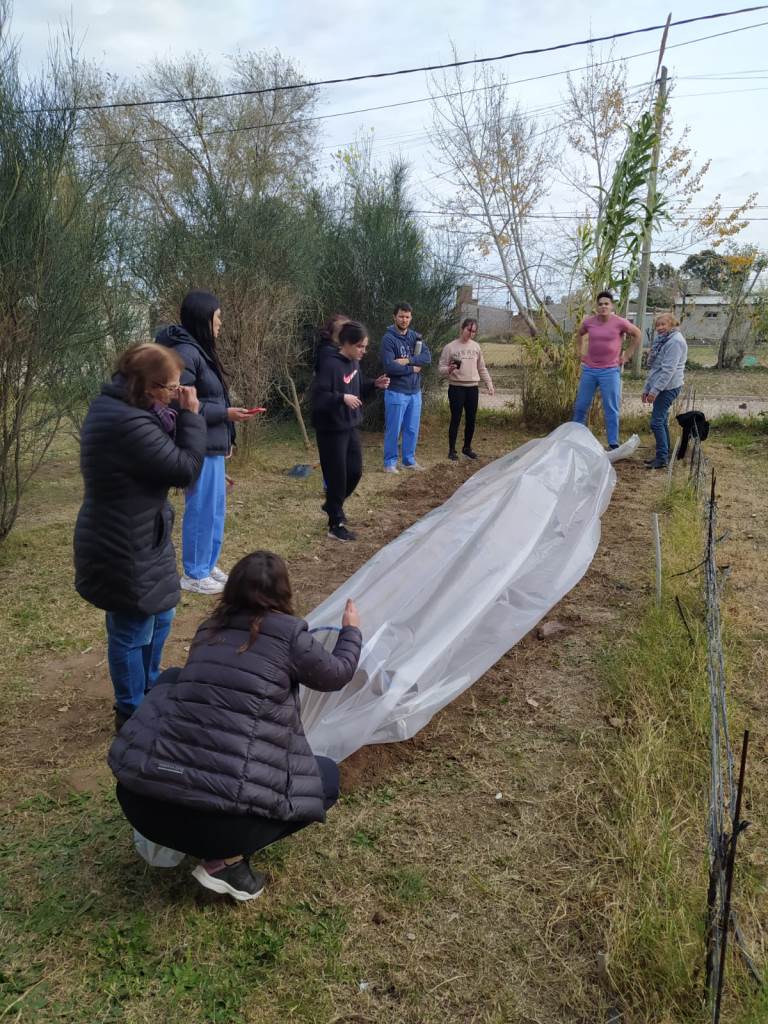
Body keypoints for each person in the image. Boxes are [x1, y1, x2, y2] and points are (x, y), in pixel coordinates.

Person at [108, 550, 362, 902]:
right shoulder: (289, 636)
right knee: (326, 779)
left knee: (173, 679)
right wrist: (351, 632)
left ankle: (164, 837)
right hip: (214, 826)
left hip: (140, 806)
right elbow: (336, 674)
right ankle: (224, 862)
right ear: (283, 593)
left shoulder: (208, 629)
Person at [74, 344, 206, 732]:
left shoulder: (134, 408)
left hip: (142, 534)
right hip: (121, 543)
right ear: (149, 387)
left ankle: (150, 689)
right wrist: (192, 417)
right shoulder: (127, 422)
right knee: (132, 630)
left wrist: (193, 413)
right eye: (171, 387)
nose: (177, 393)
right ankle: (130, 709)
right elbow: (184, 469)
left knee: (161, 615)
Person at [156, 291, 259, 595]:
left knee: (214, 509)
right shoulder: (186, 354)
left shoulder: (200, 351)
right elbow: (182, 403)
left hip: (212, 443)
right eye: (217, 318)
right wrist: (225, 413)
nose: (220, 324)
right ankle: (194, 572)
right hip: (198, 443)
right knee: (200, 508)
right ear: (204, 319)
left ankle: (207, 563)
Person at [311, 321, 389, 542]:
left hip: (350, 425)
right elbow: (319, 397)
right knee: (336, 476)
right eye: (360, 346)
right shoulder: (330, 364)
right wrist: (341, 398)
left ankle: (332, 504)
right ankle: (335, 524)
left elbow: (355, 386)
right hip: (331, 429)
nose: (364, 351)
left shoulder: (354, 363)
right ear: (347, 344)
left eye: (365, 346)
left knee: (355, 471)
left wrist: (374, 384)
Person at [572, 291, 642, 449]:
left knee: (611, 408)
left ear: (612, 306)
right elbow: (579, 334)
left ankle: (613, 443)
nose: (603, 306)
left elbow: (637, 334)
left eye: (606, 304)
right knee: (581, 405)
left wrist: (627, 355)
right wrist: (580, 352)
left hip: (610, 371)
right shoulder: (589, 322)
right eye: (600, 304)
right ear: (596, 306)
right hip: (589, 370)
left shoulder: (620, 322)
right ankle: (574, 438)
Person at [380, 302, 431, 473]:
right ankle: (390, 463)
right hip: (396, 391)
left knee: (411, 429)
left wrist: (407, 361)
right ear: (394, 317)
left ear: (411, 318)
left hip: (414, 392)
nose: (404, 320)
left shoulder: (415, 337)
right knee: (393, 429)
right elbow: (389, 366)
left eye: (407, 317)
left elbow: (427, 357)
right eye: (401, 316)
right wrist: (412, 369)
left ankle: (408, 460)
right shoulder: (388, 339)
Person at [438, 318, 495, 460]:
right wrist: (449, 369)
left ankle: (467, 448)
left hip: (472, 388)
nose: (471, 333)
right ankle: (452, 450)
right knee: (455, 419)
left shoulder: (476, 347)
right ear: (462, 329)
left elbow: (481, 367)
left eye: (474, 331)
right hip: (456, 388)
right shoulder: (450, 347)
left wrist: (489, 383)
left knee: (471, 419)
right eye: (468, 330)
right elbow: (441, 369)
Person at [642, 311, 688, 469]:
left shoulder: (675, 342)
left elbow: (668, 371)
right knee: (661, 421)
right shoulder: (662, 340)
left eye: (663, 324)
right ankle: (665, 454)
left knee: (656, 422)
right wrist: (647, 388)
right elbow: (656, 368)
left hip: (668, 387)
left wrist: (654, 391)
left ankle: (662, 458)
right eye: (657, 325)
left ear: (672, 324)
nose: (660, 328)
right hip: (661, 385)